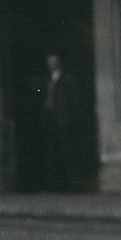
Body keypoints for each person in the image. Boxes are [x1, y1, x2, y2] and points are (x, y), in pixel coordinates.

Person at [41, 53, 82, 191]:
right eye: (49, 63)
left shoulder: (67, 80)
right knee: (52, 152)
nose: (51, 65)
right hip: (50, 119)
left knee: (67, 151)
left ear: (58, 63)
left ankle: (71, 184)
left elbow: (75, 100)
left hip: (63, 120)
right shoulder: (48, 80)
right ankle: (54, 185)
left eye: (53, 62)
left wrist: (69, 115)